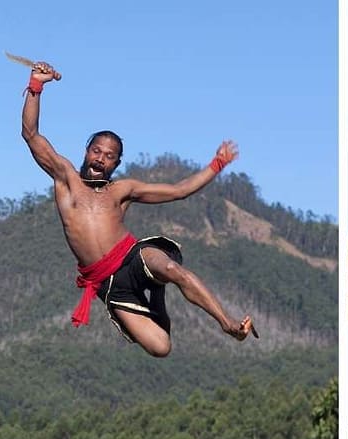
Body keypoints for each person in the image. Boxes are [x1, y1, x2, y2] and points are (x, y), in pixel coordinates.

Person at [20, 60, 257, 357]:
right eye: (96, 151)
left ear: (116, 164)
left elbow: (179, 191)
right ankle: (157, 292)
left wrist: (216, 164)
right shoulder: (66, 178)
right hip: (108, 282)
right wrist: (36, 86)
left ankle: (228, 324)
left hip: (133, 256)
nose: (100, 159)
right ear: (86, 151)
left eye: (109, 156)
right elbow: (31, 134)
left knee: (173, 269)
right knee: (161, 347)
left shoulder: (122, 190)